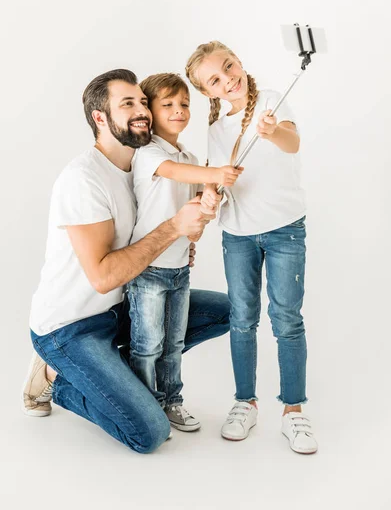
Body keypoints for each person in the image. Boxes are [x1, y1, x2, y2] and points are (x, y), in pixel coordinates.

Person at [22, 68, 230, 453]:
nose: (143, 111)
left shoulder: (142, 162)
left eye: (142, 102)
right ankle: (58, 374)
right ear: (100, 118)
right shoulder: (83, 179)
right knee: (148, 433)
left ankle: (117, 373)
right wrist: (172, 228)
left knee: (228, 311)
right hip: (70, 328)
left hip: (124, 308)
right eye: (127, 104)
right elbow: (102, 277)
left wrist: (195, 222)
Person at [185, 41, 318, 454]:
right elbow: (216, 180)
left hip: (284, 232)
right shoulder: (215, 129)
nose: (229, 79)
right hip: (237, 235)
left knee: (286, 319)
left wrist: (271, 130)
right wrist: (212, 193)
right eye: (216, 80)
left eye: (230, 67)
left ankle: (293, 410)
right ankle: (245, 402)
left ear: (239, 61)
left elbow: (293, 142)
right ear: (209, 92)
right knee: (243, 318)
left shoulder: (273, 101)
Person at [128, 73, 242, 432]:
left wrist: (212, 195)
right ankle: (147, 404)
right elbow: (176, 173)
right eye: (168, 105)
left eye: (184, 105)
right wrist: (214, 174)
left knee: (173, 343)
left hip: (178, 270)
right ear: (151, 111)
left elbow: (199, 207)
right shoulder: (148, 154)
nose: (178, 111)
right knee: (148, 345)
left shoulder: (189, 156)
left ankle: (172, 401)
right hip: (147, 271)